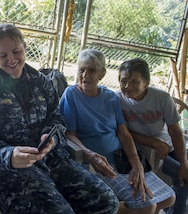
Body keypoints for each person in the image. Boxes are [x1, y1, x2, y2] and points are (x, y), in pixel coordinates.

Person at [0, 23, 119, 213]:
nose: (11, 60)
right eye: (3, 55)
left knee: (106, 203)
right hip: (12, 173)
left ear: (25, 48)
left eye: (16, 51)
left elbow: (57, 119)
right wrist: (8, 154)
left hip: (52, 160)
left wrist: (51, 137)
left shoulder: (41, 82)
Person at [59, 49, 175, 214]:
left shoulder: (110, 97)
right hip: (97, 164)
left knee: (168, 198)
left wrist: (136, 164)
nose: (85, 75)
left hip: (121, 160)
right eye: (81, 70)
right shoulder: (71, 94)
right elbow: (69, 133)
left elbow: (124, 132)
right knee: (147, 205)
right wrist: (89, 154)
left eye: (91, 70)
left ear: (102, 73)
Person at [116, 58, 188, 214]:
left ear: (146, 83)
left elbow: (175, 132)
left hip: (166, 147)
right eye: (124, 81)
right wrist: (152, 142)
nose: (128, 86)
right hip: (139, 149)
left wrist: (183, 162)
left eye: (134, 81)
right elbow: (120, 131)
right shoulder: (116, 99)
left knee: (185, 174)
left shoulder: (162, 98)